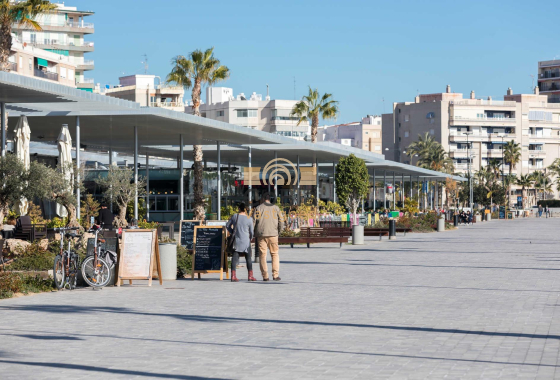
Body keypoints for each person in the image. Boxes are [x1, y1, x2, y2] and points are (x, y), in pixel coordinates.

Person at [253, 192, 285, 281]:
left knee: (262, 255)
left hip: (261, 235)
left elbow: (253, 222)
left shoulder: (258, 208)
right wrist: (279, 231)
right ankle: (275, 275)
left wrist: (253, 232)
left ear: (263, 199)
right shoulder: (276, 208)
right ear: (270, 199)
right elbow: (281, 222)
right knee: (274, 254)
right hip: (273, 234)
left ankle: (265, 276)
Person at [226, 203, 256, 282]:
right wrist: (250, 238)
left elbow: (227, 225)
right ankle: (250, 276)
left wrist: (232, 232)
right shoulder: (249, 218)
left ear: (239, 209)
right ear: (245, 209)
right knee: (248, 258)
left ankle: (233, 275)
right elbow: (252, 232)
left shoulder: (235, 216)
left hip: (237, 241)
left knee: (234, 258)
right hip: (246, 241)